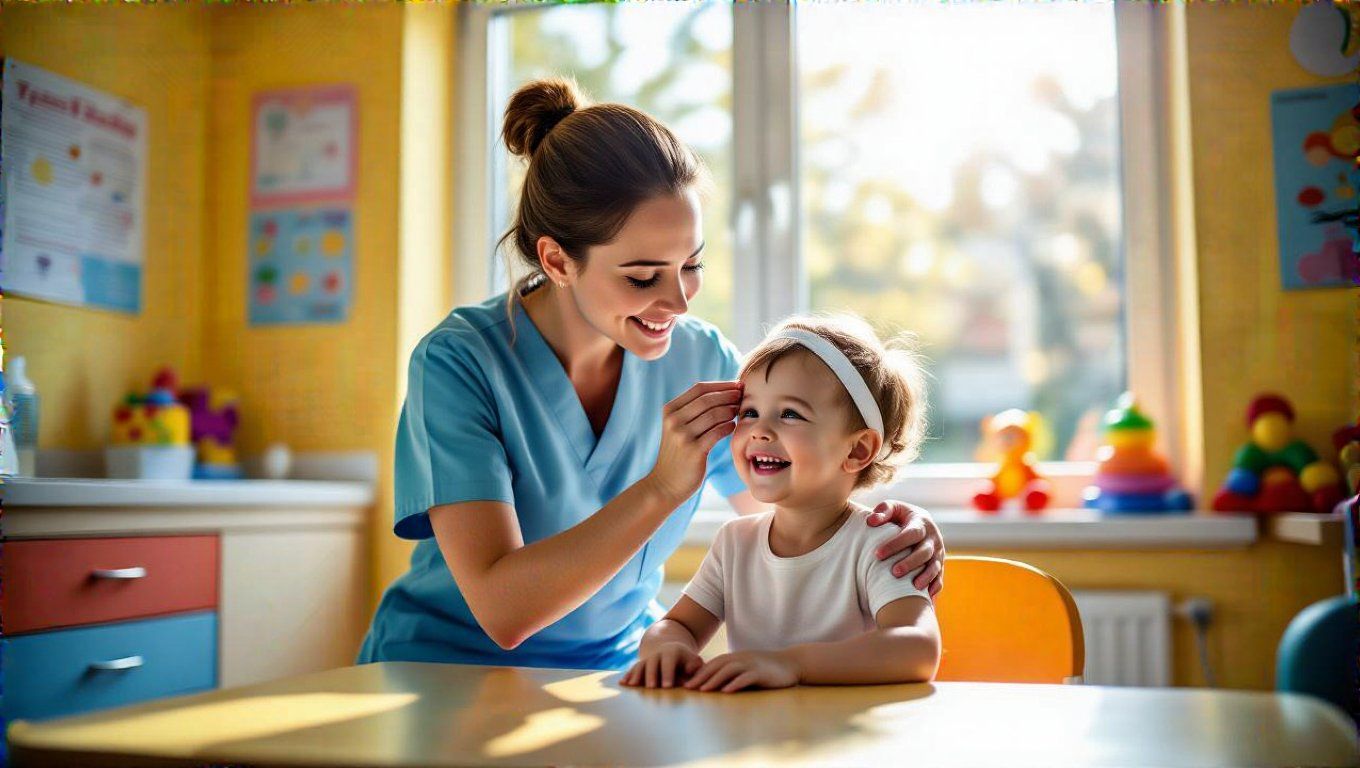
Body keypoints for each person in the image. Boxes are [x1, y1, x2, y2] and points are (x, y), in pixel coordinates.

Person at [357, 78, 947, 671]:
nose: (680, 301)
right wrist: (662, 487)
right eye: (643, 277)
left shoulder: (701, 359)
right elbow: (502, 610)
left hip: (616, 676)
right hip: (441, 672)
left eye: (691, 265)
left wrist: (877, 530)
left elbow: (785, 512)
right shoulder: (458, 364)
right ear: (557, 260)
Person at [621, 315, 940, 692]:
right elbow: (676, 626)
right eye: (750, 412)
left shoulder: (879, 544)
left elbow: (919, 650)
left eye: (790, 414)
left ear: (857, 449)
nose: (759, 429)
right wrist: (667, 648)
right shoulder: (735, 543)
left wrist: (792, 665)